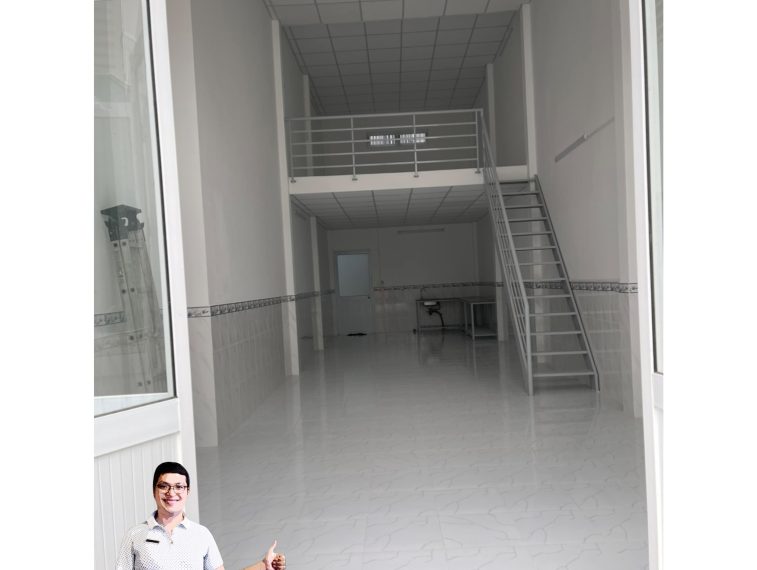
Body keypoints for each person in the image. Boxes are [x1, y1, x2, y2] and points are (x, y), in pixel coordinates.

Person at [116, 461, 286, 570]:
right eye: (164, 486)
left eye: (179, 487)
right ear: (154, 491)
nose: (171, 492)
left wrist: (263, 565)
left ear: (187, 491)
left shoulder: (201, 534)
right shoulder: (135, 535)